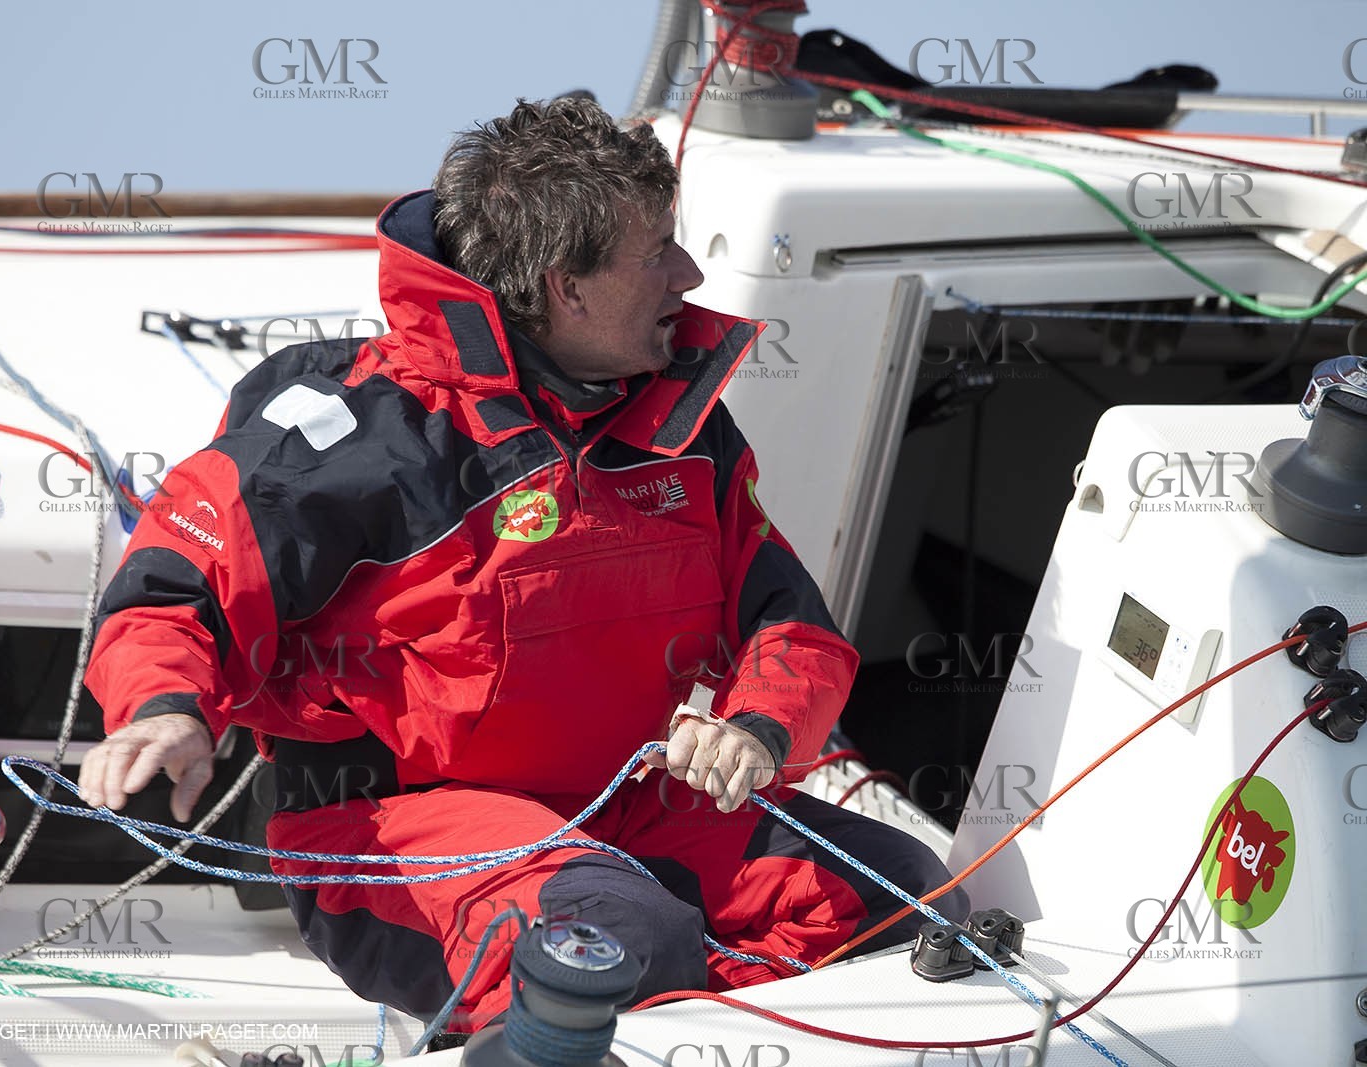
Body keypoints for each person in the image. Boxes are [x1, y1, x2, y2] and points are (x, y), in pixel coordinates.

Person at [79, 96, 965, 1032]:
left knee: (898, 896)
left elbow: (792, 624)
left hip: (622, 800)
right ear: (565, 287)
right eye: (659, 248)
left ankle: (688, 1017)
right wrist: (163, 708)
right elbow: (179, 579)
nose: (690, 272)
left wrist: (757, 727)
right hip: (389, 827)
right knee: (619, 945)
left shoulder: (685, 434)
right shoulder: (362, 437)